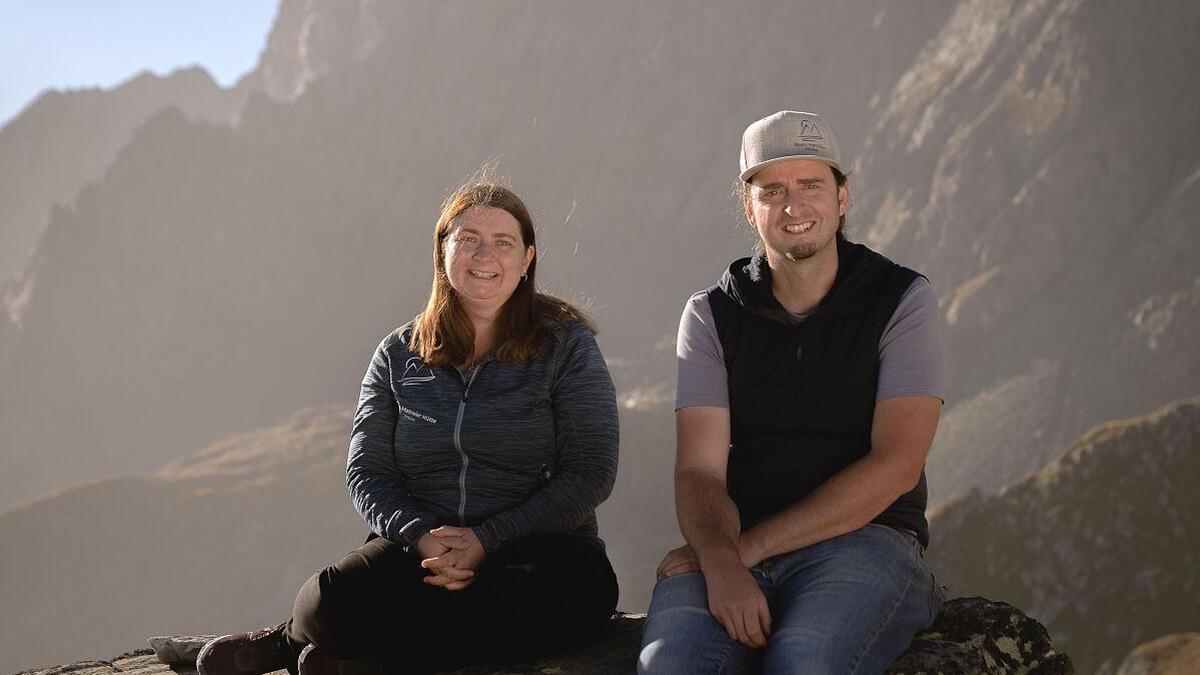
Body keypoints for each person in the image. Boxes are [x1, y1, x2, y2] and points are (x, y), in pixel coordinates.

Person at [197, 180, 620, 675]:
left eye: (503, 242)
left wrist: (488, 539)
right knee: (323, 601)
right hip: (420, 551)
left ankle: (337, 655)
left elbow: (592, 472)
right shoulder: (398, 354)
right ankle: (315, 638)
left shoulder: (567, 347)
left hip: (535, 552)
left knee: (577, 598)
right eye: (468, 239)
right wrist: (421, 537)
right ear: (443, 250)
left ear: (527, 259)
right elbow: (367, 472)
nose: (485, 255)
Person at [638, 111, 945, 674]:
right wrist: (721, 559)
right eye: (771, 190)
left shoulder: (900, 300)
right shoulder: (711, 315)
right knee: (670, 666)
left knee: (805, 662)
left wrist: (738, 555)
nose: (792, 206)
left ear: (843, 196)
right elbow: (699, 473)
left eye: (811, 186)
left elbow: (898, 463)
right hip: (738, 541)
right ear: (748, 206)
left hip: (866, 540)